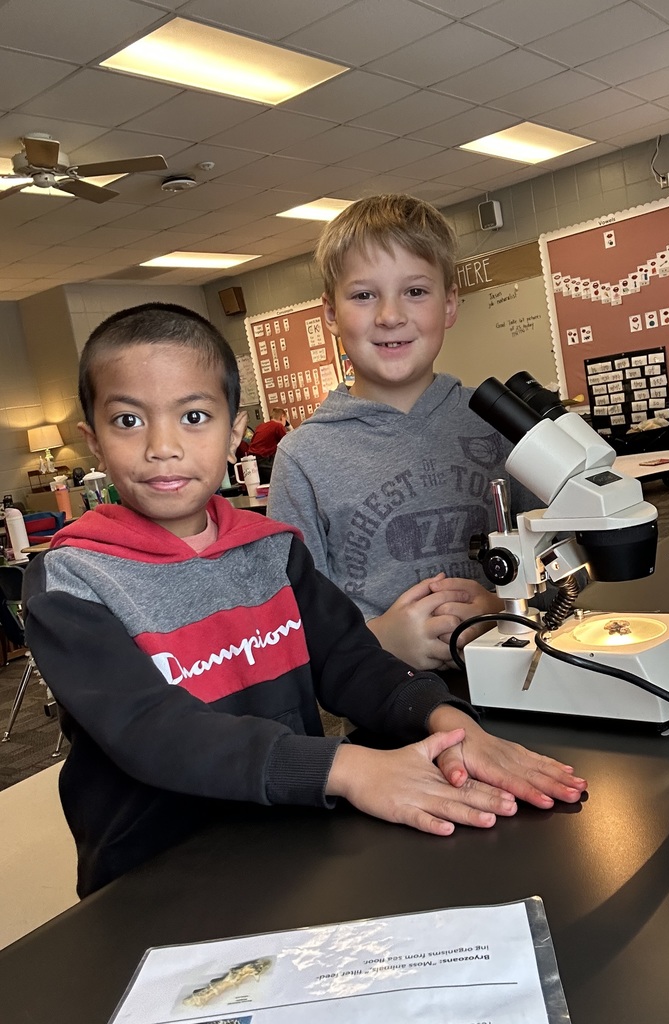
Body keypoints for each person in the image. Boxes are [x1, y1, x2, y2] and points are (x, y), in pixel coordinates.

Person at [22, 302, 586, 898]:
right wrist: (346, 767)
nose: (163, 446)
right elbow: (151, 731)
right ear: (93, 442)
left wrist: (448, 726)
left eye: (193, 415)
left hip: (289, 838)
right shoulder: (72, 581)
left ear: (235, 431)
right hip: (155, 874)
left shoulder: (273, 552)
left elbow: (350, 661)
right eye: (129, 422)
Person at [268, 194, 543, 672]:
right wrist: (375, 640)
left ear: (450, 304)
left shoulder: (501, 422)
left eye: (415, 291)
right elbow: (287, 620)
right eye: (363, 295)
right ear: (331, 314)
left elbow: (562, 565)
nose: (390, 315)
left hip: (526, 685)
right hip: (388, 721)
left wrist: (502, 608)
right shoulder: (302, 460)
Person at [246, 406, 289, 482]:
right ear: (282, 417)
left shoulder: (261, 426)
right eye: (286, 420)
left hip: (252, 461)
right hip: (264, 460)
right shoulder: (278, 426)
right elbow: (287, 444)